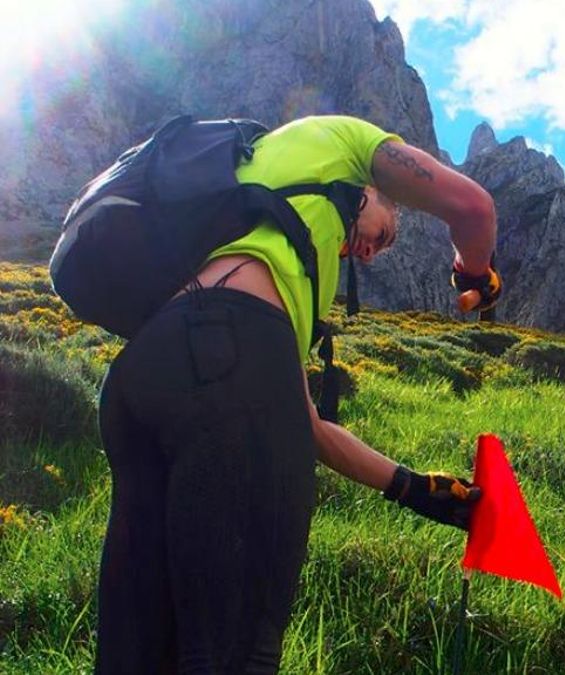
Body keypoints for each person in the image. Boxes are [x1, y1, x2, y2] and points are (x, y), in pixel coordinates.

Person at [93, 115, 501, 673]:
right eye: (385, 233)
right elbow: (474, 209)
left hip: (143, 374)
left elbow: (301, 425)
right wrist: (474, 276)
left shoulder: (255, 185)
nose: (369, 252)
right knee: (232, 654)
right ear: (373, 189)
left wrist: (416, 489)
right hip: (230, 356)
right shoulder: (346, 139)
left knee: (135, 655)